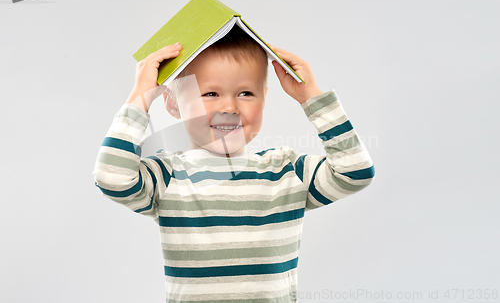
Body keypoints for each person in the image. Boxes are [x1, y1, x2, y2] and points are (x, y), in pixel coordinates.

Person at [93, 26, 375, 303]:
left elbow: (355, 172)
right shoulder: (168, 176)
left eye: (245, 94)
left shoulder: (286, 171)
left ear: (265, 98)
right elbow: (112, 178)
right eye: (211, 94)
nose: (229, 107)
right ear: (172, 103)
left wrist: (312, 97)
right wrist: (139, 98)